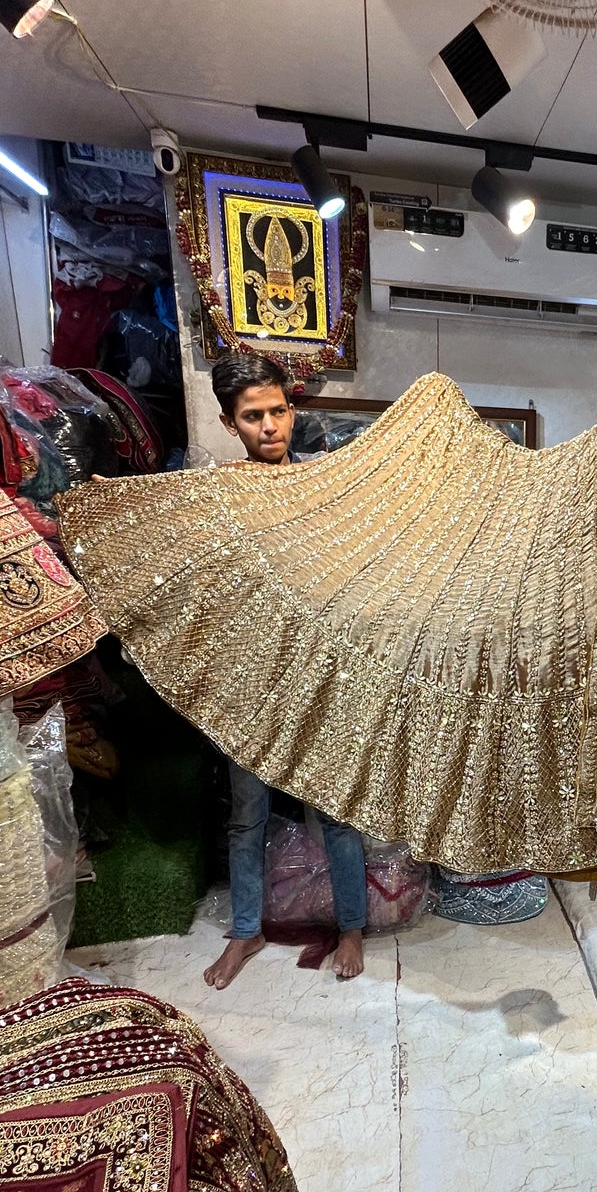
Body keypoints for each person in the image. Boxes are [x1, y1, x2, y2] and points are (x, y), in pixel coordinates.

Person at [202, 353, 368, 988]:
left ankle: (351, 927)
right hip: (247, 684)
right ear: (228, 422)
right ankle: (246, 933)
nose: (269, 427)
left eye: (277, 412)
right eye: (252, 417)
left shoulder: (325, 489)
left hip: (322, 677)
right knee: (247, 814)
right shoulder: (220, 501)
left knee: (337, 811)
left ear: (292, 410)